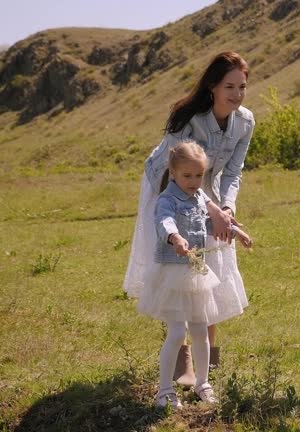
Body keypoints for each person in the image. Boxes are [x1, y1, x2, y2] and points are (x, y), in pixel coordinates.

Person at [123, 51, 254, 382]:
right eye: (229, 86)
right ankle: (181, 360)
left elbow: (233, 173)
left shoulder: (245, 122)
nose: (237, 95)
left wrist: (227, 210)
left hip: (206, 186)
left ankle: (207, 358)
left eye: (242, 86)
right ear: (212, 86)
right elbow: (179, 177)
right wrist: (211, 211)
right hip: (170, 185)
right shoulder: (188, 119)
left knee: (214, 266)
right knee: (183, 268)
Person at [138, 141, 250, 409]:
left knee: (200, 331)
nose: (193, 181)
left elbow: (210, 223)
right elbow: (164, 221)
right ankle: (165, 391)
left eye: (199, 175)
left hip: (197, 273)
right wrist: (175, 237)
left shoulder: (200, 197)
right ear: (174, 172)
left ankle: (203, 382)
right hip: (173, 275)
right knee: (177, 333)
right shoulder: (167, 199)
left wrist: (236, 232)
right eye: (187, 175)